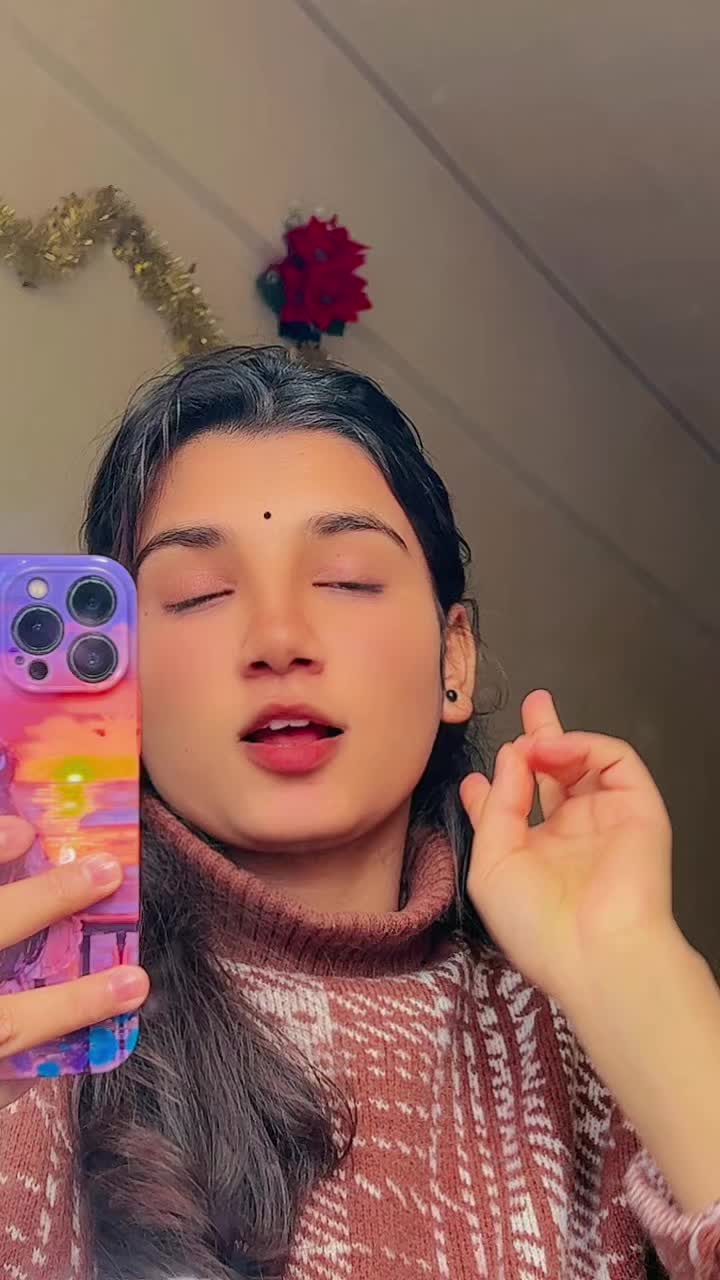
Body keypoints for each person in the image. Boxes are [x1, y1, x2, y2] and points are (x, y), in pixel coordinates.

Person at [0, 345, 710, 1278]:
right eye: (199, 595)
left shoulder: (596, 1049)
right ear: (122, 677)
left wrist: (637, 973)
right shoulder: (43, 1027)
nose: (278, 639)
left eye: (345, 579)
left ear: (454, 661)